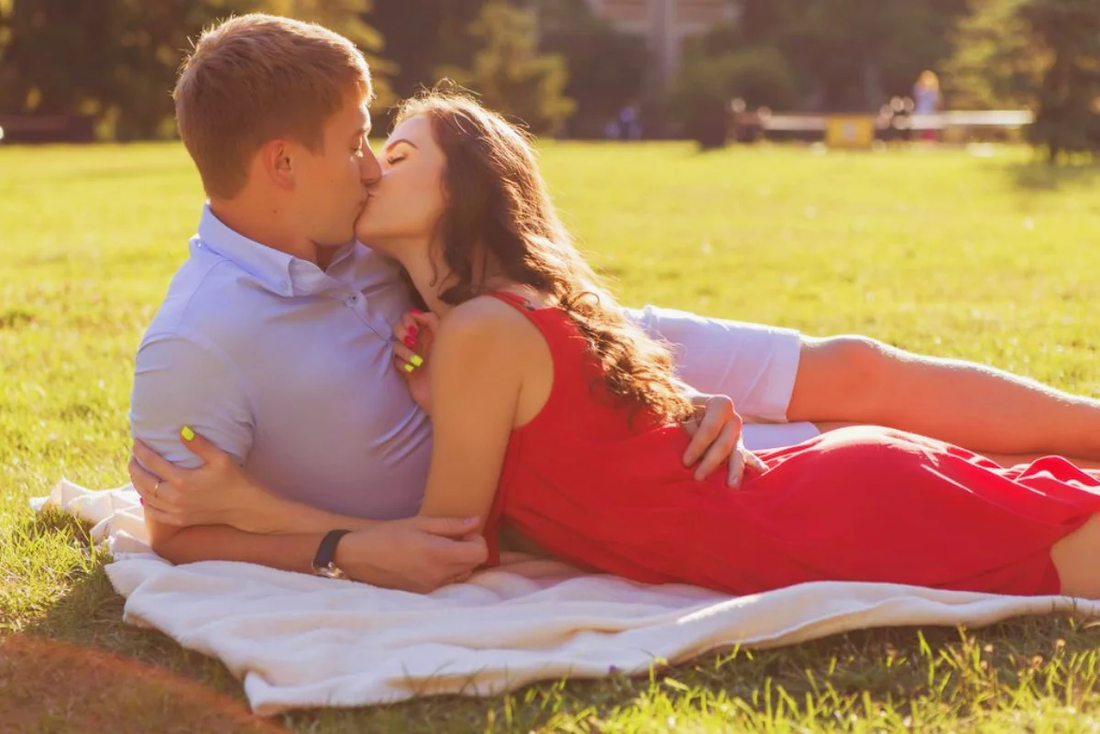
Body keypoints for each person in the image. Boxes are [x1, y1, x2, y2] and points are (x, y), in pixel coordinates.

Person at [129, 14, 1100, 594]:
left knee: (866, 378)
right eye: (358, 143)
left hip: (713, 448)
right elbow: (177, 524)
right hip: (714, 462)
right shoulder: (203, 335)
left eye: (388, 149)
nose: (368, 163)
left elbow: (450, 520)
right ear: (281, 166)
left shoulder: (416, 278)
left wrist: (674, 398)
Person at [354, 91, 1100, 598]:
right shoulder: (504, 318)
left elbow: (447, 547)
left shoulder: (483, 331)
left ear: (462, 189)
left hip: (825, 520)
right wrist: (442, 393)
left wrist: (280, 539)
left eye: (398, 157)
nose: (370, 170)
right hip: (825, 500)